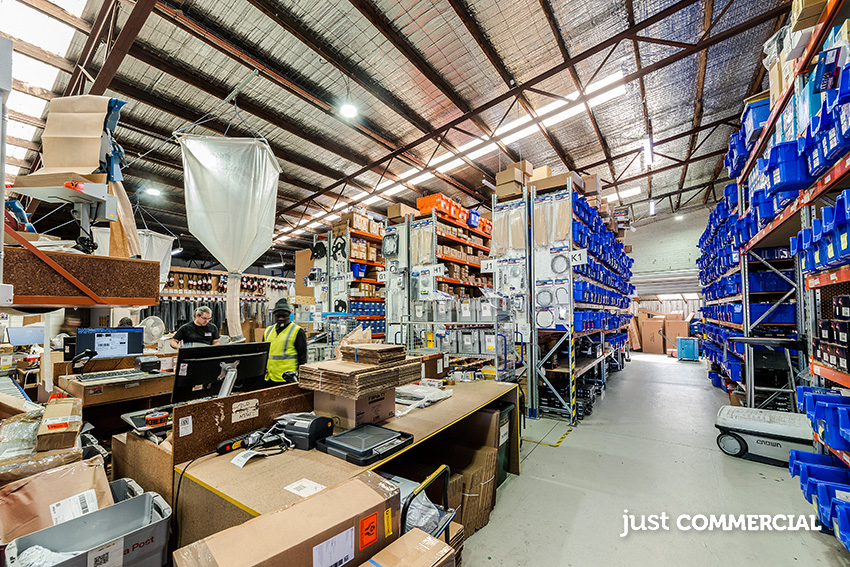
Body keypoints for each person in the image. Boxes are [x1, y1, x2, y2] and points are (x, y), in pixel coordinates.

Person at [263, 299, 306, 382]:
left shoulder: (297, 331)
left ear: (289, 315)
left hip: (288, 378)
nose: (281, 319)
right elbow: (264, 353)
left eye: (284, 316)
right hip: (270, 377)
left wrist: (301, 376)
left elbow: (302, 358)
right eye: (278, 316)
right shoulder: (268, 331)